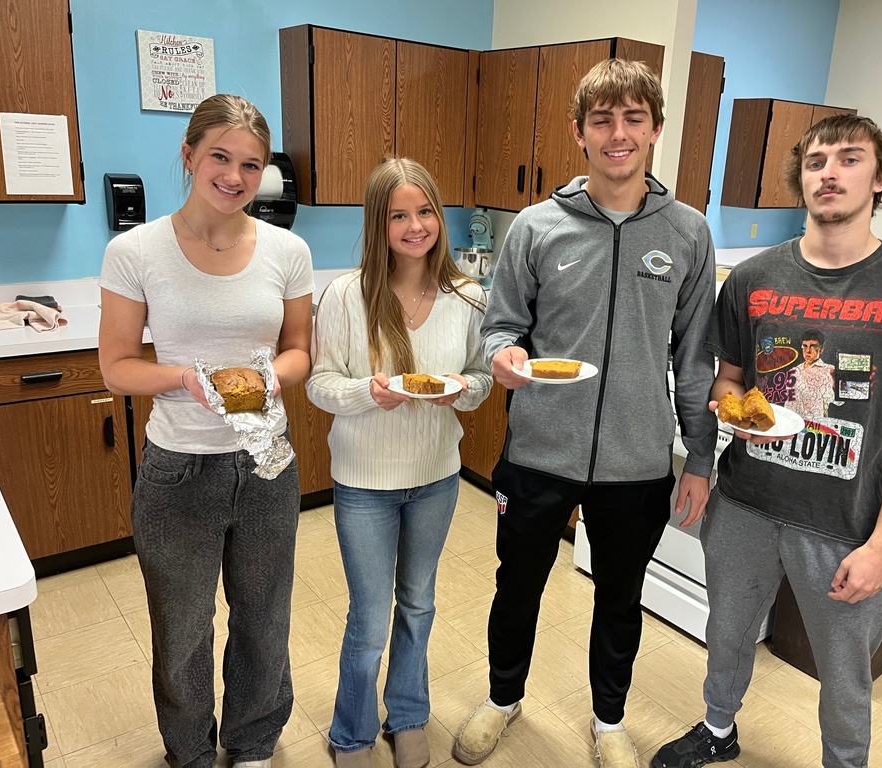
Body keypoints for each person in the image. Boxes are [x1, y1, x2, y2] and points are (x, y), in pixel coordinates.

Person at [651, 115, 882, 768]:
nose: (830, 171)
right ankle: (718, 729)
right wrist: (736, 412)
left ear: (879, 178)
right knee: (728, 632)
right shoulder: (752, 280)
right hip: (744, 503)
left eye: (850, 159)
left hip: (844, 524)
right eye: (817, 161)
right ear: (801, 179)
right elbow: (727, 384)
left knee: (845, 672)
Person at [453, 59, 718, 768]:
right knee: (517, 588)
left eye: (634, 118)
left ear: (656, 129)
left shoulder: (688, 233)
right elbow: (500, 325)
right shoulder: (538, 228)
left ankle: (608, 720)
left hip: (636, 460)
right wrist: (505, 354)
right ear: (579, 132)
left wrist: (700, 458)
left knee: (620, 598)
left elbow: (695, 359)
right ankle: (503, 700)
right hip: (539, 450)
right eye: (602, 119)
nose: (618, 133)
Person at [98, 94, 314, 768]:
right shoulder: (135, 251)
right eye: (220, 156)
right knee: (183, 628)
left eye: (251, 164)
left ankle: (251, 746)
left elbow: (300, 350)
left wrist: (270, 377)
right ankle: (190, 751)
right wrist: (186, 378)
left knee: (264, 618)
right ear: (189, 155)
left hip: (265, 465)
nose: (235, 176)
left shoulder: (288, 250)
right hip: (178, 467)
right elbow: (116, 368)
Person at [306, 158, 492, 768]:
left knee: (419, 603)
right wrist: (369, 393)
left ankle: (408, 715)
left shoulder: (467, 295)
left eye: (426, 212)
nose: (416, 226)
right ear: (377, 224)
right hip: (364, 483)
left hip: (436, 476)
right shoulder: (345, 296)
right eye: (399, 215)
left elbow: (482, 378)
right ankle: (351, 732)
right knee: (369, 617)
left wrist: (459, 391)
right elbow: (319, 385)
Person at [790, 329, 837, 419]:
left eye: (812, 346)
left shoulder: (829, 370)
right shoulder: (794, 371)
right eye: (805, 346)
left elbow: (839, 402)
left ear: (821, 349)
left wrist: (836, 385)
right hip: (794, 423)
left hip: (817, 425)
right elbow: (789, 402)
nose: (808, 351)